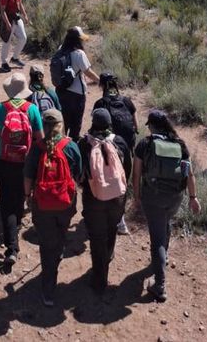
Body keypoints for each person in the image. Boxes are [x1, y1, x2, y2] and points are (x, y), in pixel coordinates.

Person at [132, 109, 201, 302]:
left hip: (153, 197)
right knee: (165, 222)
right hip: (175, 197)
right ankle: (165, 257)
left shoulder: (145, 144)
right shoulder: (180, 144)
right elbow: (190, 174)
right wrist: (193, 197)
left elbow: (136, 174)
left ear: (152, 126)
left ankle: (160, 285)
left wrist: (136, 196)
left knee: (157, 240)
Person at [23, 108, 81, 307]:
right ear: (60, 125)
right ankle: (58, 252)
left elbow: (28, 176)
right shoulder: (71, 146)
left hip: (42, 203)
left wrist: (27, 197)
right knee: (61, 232)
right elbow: (79, 175)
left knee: (46, 244)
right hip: (65, 202)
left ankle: (48, 290)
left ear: (44, 127)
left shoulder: (37, 148)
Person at [0, 72, 44, 267]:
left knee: (5, 201)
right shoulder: (33, 109)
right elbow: (40, 138)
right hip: (25, 162)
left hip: (3, 160)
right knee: (19, 198)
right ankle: (15, 230)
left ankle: (12, 247)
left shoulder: (0, 109)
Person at [79, 108, 131, 294]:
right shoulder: (119, 142)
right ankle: (106, 259)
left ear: (93, 122)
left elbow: (80, 172)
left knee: (96, 236)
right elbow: (128, 170)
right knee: (111, 230)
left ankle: (99, 279)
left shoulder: (84, 143)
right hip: (117, 197)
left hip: (93, 197)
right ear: (109, 123)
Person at [92, 72, 138, 234]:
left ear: (102, 85)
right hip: (127, 143)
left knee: (110, 178)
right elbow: (135, 123)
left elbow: (96, 126)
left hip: (111, 144)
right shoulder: (126, 100)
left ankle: (116, 218)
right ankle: (120, 218)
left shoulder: (101, 103)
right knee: (123, 180)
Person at [51, 26, 99, 141]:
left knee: (63, 123)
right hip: (77, 95)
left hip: (61, 91)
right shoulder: (79, 53)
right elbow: (88, 72)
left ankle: (60, 146)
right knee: (75, 126)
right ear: (77, 40)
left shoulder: (61, 49)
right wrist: (100, 80)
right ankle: (72, 148)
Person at [0, 0, 29, 72]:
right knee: (7, 41)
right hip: (8, 19)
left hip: (16, 17)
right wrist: (7, 23)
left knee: (23, 38)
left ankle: (15, 58)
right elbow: (3, 11)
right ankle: (4, 62)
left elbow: (20, 3)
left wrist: (25, 15)